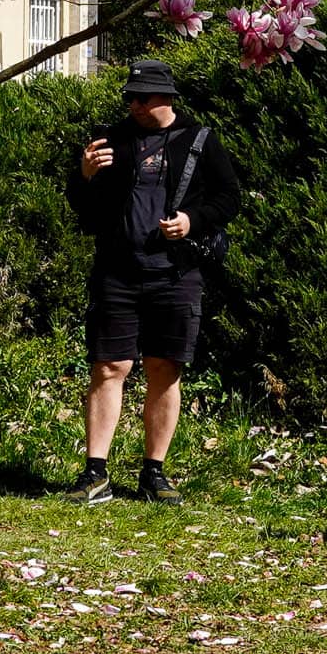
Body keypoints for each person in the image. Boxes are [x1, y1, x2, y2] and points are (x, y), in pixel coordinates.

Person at [65, 58, 244, 505]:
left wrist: (191, 220)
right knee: (109, 367)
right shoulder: (112, 140)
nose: (135, 105)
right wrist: (83, 174)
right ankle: (95, 473)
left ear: (166, 97)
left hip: (176, 272)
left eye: (142, 97)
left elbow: (229, 198)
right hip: (118, 270)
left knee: (165, 370)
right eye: (130, 97)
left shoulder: (199, 140)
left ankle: (154, 474)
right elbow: (81, 206)